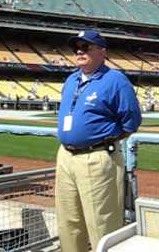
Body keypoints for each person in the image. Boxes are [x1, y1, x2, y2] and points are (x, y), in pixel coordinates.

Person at [55, 30, 142, 252]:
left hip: (96, 157)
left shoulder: (115, 80)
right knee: (68, 222)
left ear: (102, 52)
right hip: (65, 156)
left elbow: (131, 121)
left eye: (86, 47)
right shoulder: (71, 78)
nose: (79, 51)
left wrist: (104, 142)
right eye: (77, 48)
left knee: (102, 223)